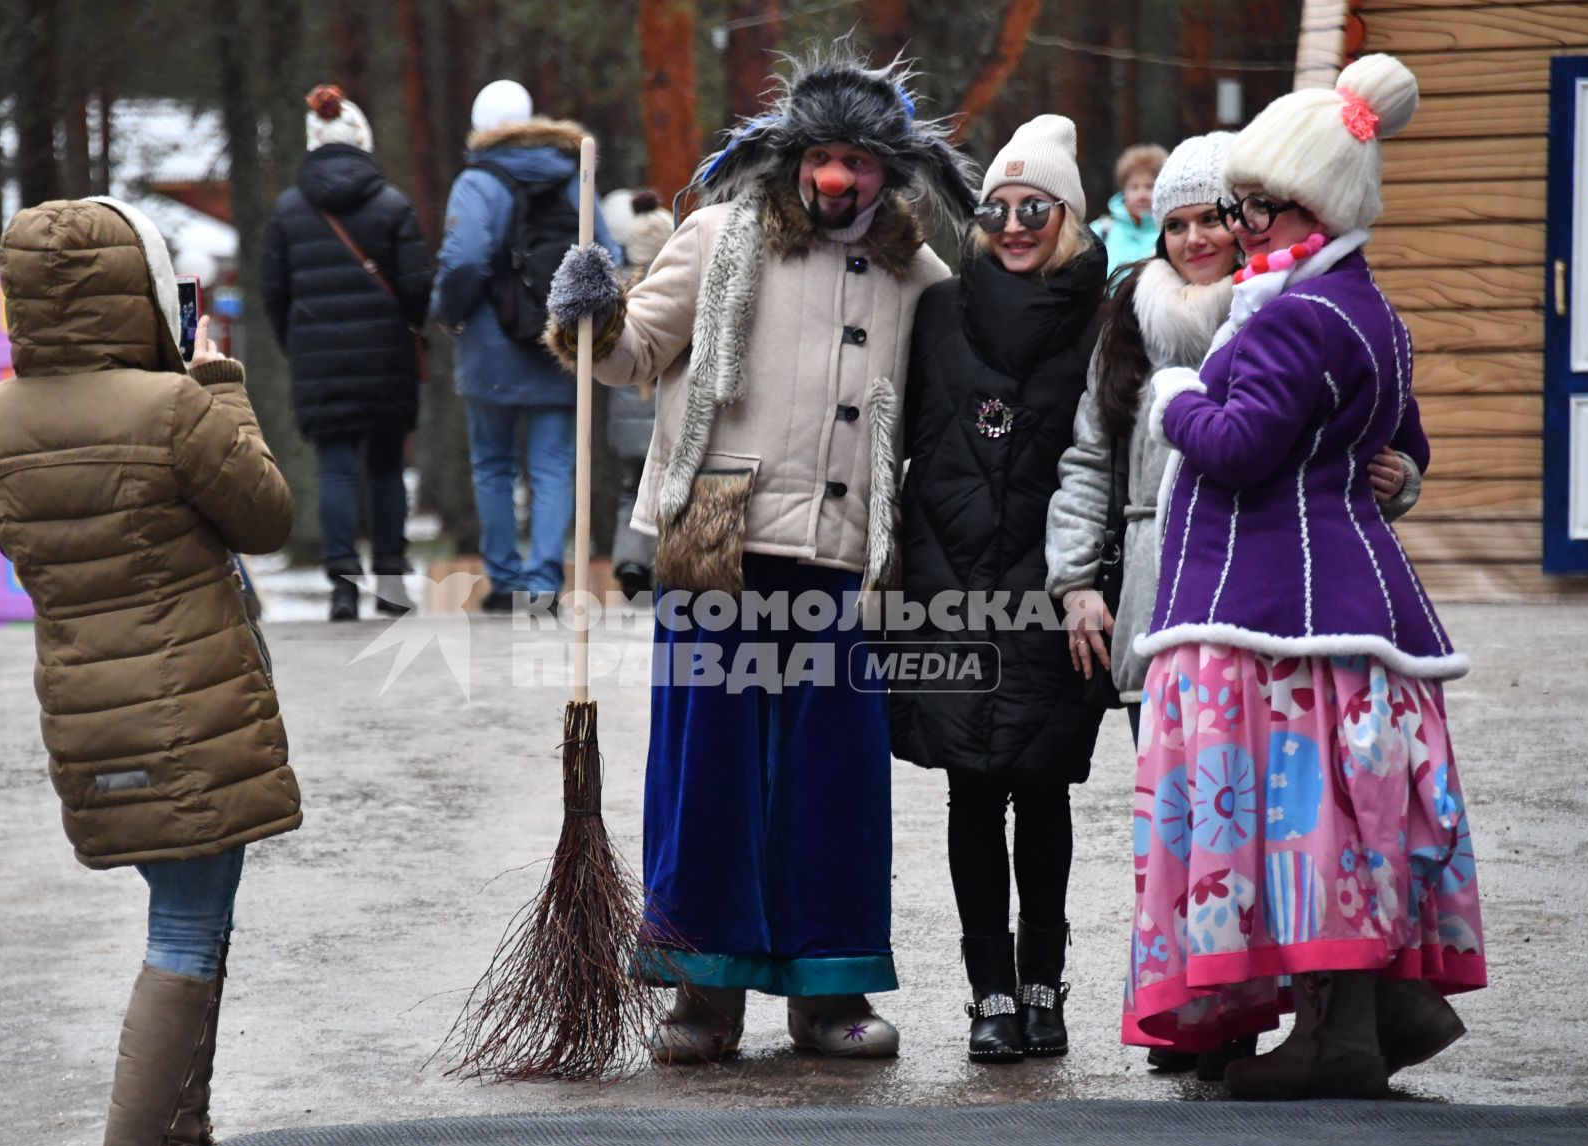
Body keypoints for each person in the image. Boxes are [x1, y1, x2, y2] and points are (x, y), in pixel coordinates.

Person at [546, 46, 975, 1062]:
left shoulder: (921, 276)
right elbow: (629, 355)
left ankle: (829, 989)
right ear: (793, 157)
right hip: (714, 524)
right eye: (823, 155)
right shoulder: (718, 236)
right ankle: (705, 989)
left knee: (834, 776)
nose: (838, 178)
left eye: (859, 162)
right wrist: (586, 312)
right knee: (711, 771)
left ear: (890, 171)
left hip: (844, 544)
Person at [1126, 54, 1484, 1100]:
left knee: (1301, 818)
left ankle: (1337, 1030)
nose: (1240, 225)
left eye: (1262, 207)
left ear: (1316, 204)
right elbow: (1403, 442)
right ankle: (1384, 1004)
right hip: (1344, 605)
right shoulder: (1366, 308)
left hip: (1274, 613)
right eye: (1240, 206)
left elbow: (1237, 447)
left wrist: (1177, 395)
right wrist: (1400, 471)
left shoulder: (1294, 315)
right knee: (1348, 807)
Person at [1046, 131, 1425, 1080]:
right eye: (1173, 223)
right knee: (1196, 820)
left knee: (1260, 819)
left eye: (1214, 215)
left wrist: (1400, 474)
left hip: (1255, 596)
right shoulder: (1132, 319)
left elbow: (1373, 432)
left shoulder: (1280, 310)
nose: (1198, 237)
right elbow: (1088, 458)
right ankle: (1216, 1013)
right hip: (1159, 585)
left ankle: (1300, 1018)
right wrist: (1075, 578)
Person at [0, 197, 300, 1146]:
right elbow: (269, 516)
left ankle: (180, 1142)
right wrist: (221, 385)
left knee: (196, 909)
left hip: (88, 709)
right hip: (186, 704)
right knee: (190, 922)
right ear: (141, 290)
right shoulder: (172, 408)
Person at [888, 115, 1108, 1064]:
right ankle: (987, 993)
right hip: (946, 579)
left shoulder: (1110, 319)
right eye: (998, 208)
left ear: (1068, 216)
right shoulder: (937, 309)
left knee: (1043, 789)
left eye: (1035, 207)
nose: (1014, 224)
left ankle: (1042, 984)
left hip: (1056, 587)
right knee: (971, 795)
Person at [430, 79, 619, 614]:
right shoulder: (573, 174)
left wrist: (451, 313)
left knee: (492, 464)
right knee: (554, 465)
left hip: (490, 345)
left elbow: (464, 258)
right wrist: (580, 320)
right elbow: (607, 249)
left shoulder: (476, 180)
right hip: (558, 344)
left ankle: (506, 580)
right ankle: (542, 584)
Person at [262, 85, 433, 622]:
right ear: (363, 141)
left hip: (318, 359)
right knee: (385, 468)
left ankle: (341, 588)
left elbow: (273, 292)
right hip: (386, 358)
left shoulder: (287, 211)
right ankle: (390, 584)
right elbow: (417, 288)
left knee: (335, 470)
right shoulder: (392, 204)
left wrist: (300, 345)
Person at [605, 189, 675, 598]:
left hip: (626, 412)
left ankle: (630, 559)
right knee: (665, 488)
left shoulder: (618, 284)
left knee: (631, 489)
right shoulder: (673, 287)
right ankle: (658, 562)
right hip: (662, 415)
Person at [1091, 143, 1167, 280]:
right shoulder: (1100, 232)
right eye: (1134, 187)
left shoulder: (1172, 232)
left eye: (1149, 186)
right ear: (1124, 190)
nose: (1142, 195)